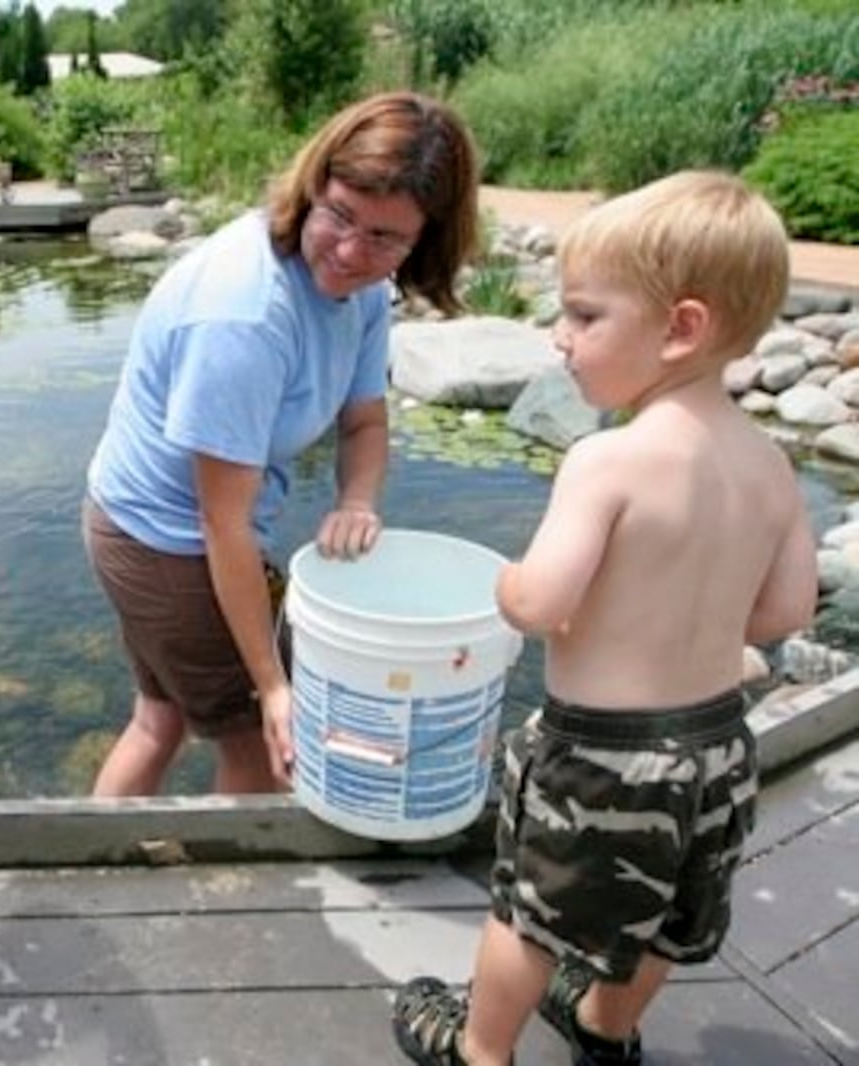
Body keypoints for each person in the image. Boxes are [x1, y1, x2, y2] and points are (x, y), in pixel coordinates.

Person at [391, 171, 819, 1066]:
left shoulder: (608, 460)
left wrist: (507, 585)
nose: (561, 337)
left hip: (601, 760)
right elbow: (784, 612)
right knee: (670, 915)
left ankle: (478, 1048)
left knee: (530, 913)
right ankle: (605, 1027)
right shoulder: (770, 465)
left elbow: (541, 604)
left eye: (585, 317)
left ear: (682, 329)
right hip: (717, 750)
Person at [83, 91, 480, 796]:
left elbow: (364, 421)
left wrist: (358, 497)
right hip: (162, 536)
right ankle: (239, 900)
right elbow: (221, 522)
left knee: (160, 720)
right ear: (313, 185)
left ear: (426, 238)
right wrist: (270, 688)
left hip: (161, 521)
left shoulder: (359, 293)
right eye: (340, 216)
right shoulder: (243, 315)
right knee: (263, 751)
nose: (353, 252)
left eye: (387, 238)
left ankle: (95, 864)